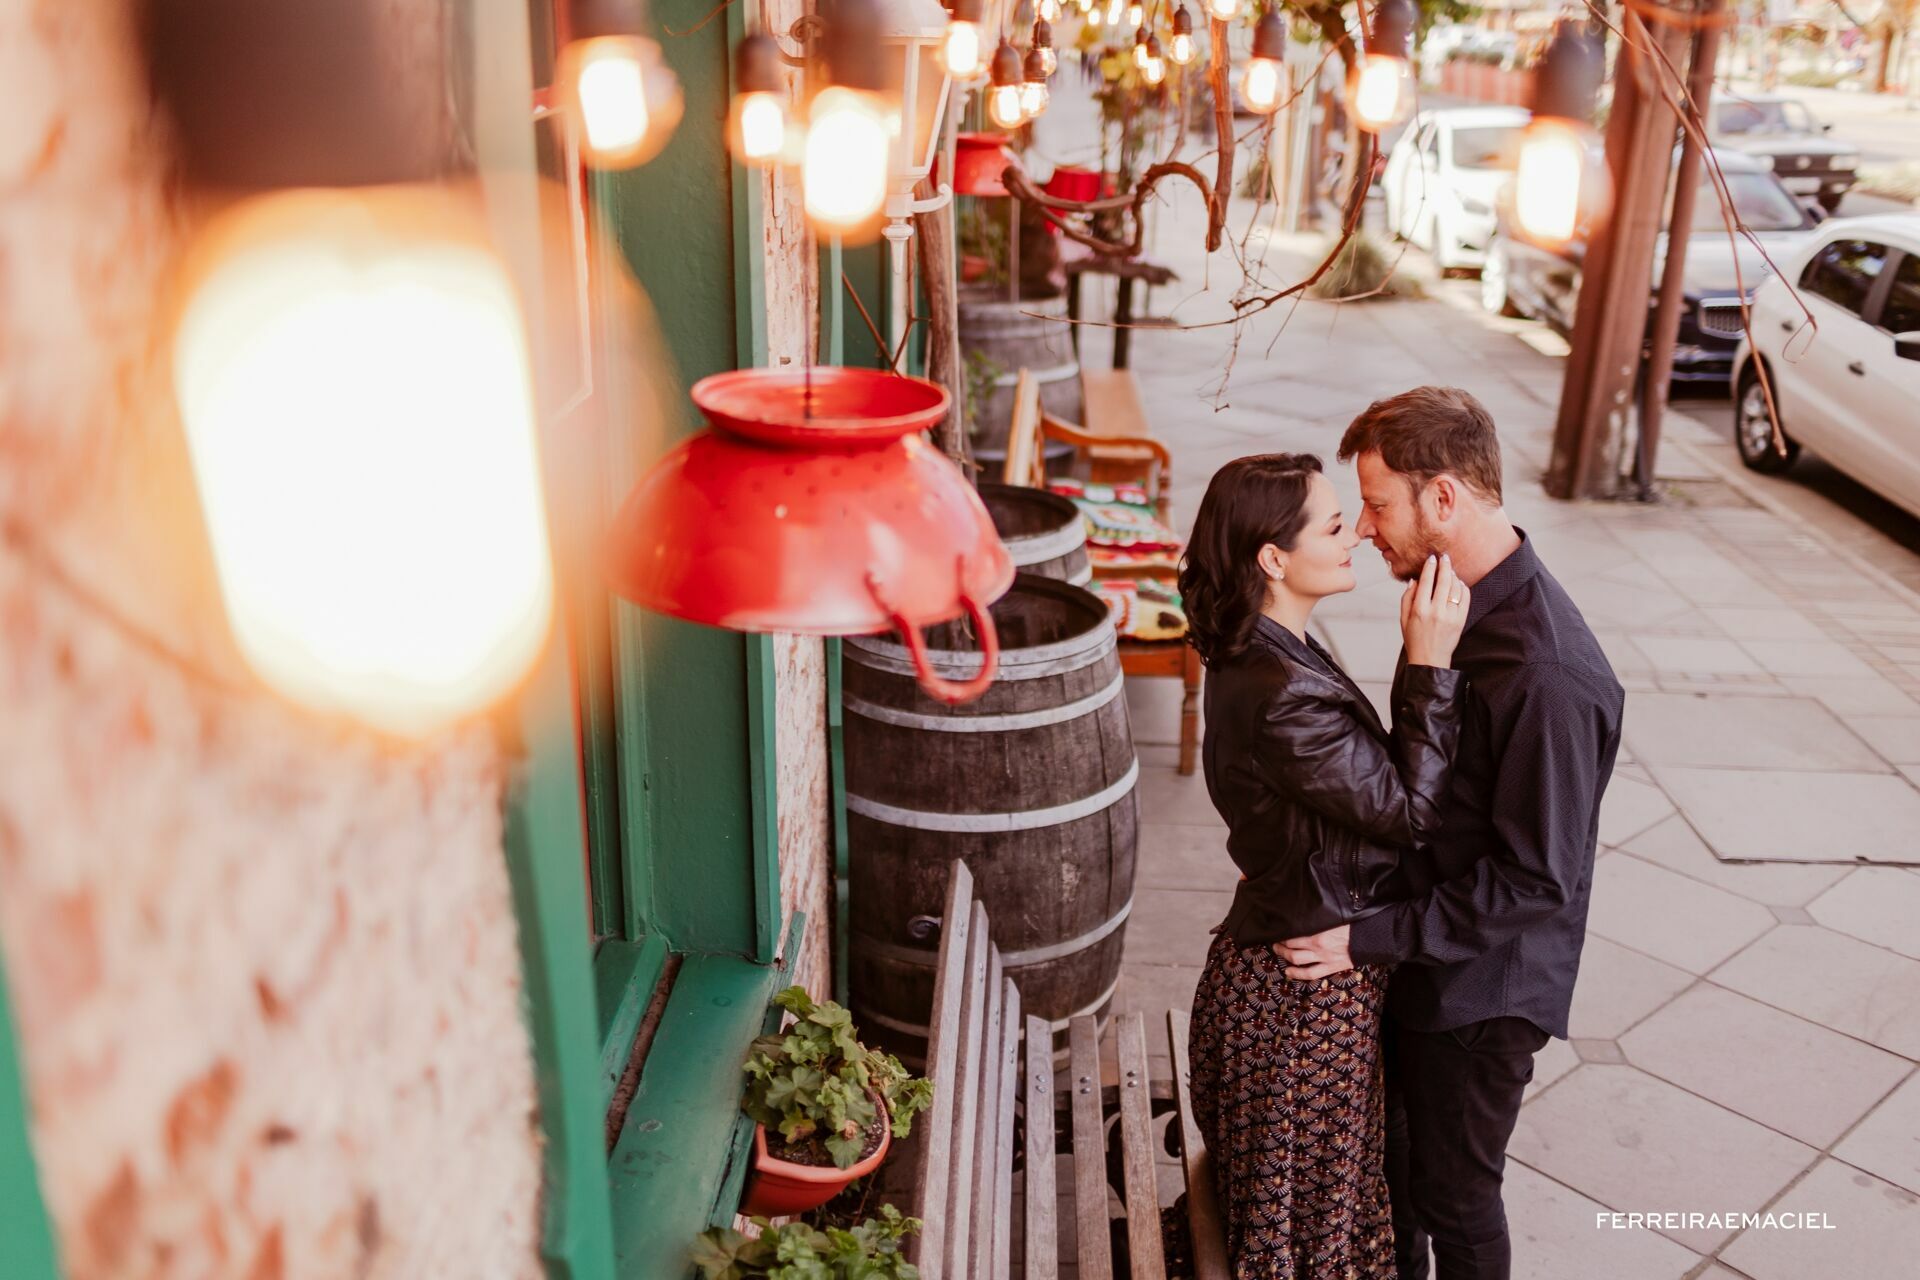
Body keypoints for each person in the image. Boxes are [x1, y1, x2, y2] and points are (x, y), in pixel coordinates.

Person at [1276, 387, 1625, 1280]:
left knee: (1456, 1203)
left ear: (1443, 499)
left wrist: (1367, 939)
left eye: (1380, 504)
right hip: (1427, 954)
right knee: (1399, 1188)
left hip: (1484, 990)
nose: (1364, 527)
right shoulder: (1449, 605)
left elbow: (1536, 878)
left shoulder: (1548, 672)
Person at [1177, 452, 1471, 1278]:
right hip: (1300, 1009)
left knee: (1304, 1225)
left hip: (1280, 974)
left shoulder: (1268, 651)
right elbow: (1409, 811)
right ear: (1274, 558)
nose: (1357, 536)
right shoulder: (1282, 689)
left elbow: (1306, 806)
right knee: (1305, 1243)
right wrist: (1429, 667)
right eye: (1336, 526)